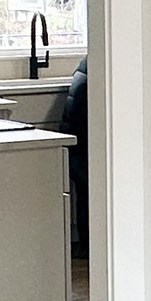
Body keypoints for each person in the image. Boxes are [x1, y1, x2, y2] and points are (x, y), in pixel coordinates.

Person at [43, 57, 88, 258]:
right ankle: (93, 246)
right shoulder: (102, 66)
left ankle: (89, 246)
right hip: (85, 153)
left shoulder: (88, 63)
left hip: (76, 149)